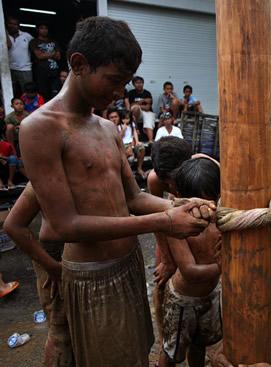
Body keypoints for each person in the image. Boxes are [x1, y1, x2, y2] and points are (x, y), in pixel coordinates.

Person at [18, 16, 215, 367]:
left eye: (124, 83)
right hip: (92, 272)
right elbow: (66, 225)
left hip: (128, 264)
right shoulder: (40, 129)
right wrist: (166, 219)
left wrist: (184, 204)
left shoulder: (107, 127)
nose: (118, 93)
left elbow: (134, 199)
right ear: (79, 64)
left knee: (136, 353)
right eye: (113, 80)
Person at [160, 157, 223, 367]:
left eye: (211, 200)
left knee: (200, 344)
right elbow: (190, 271)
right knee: (172, 351)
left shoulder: (220, 218)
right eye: (199, 202)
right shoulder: (178, 226)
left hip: (210, 294)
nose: (206, 208)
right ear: (182, 198)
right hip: (183, 300)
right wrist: (224, 266)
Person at [4, 183, 73, 366]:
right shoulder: (44, 175)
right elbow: (13, 226)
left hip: (80, 261)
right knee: (60, 331)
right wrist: (52, 267)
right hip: (55, 260)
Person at [147, 137, 193, 336]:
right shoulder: (154, 180)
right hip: (171, 224)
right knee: (161, 283)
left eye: (176, 178)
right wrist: (166, 258)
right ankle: (167, 337)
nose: (173, 186)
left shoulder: (202, 166)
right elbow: (158, 221)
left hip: (197, 224)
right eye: (168, 182)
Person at [29, 22, 61, 101]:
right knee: (44, 94)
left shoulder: (53, 41)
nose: (44, 30)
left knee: (55, 94)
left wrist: (45, 54)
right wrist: (53, 53)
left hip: (54, 71)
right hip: (41, 72)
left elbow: (58, 56)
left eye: (46, 28)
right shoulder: (34, 41)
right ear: (37, 30)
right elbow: (39, 56)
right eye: (42, 28)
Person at [6, 16, 33, 98]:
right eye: (10, 23)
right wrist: (4, 33)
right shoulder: (4, 35)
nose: (12, 26)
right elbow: (8, 45)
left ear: (18, 25)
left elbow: (36, 47)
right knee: (10, 92)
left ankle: (27, 109)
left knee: (28, 92)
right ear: (6, 24)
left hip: (25, 69)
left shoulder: (26, 36)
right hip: (9, 69)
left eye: (15, 24)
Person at [117, 109, 146, 177]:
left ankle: (139, 168)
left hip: (132, 143)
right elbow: (119, 138)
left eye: (127, 118)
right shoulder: (119, 126)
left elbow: (134, 132)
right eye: (123, 118)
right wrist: (123, 130)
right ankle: (127, 172)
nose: (125, 120)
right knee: (131, 158)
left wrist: (137, 141)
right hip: (124, 145)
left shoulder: (131, 124)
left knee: (141, 148)